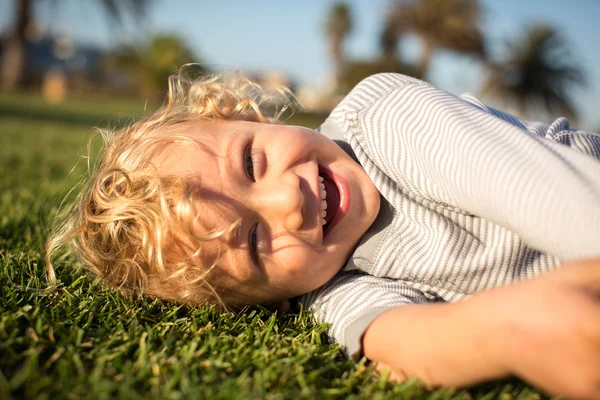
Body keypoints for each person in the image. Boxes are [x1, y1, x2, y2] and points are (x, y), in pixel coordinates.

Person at [46, 68, 600, 398]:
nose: (289, 202)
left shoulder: (383, 118)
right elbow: (400, 339)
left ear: (253, 118)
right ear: (269, 296)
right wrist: (514, 332)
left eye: (251, 163)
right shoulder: (331, 284)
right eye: (256, 243)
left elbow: (552, 196)